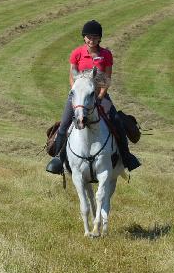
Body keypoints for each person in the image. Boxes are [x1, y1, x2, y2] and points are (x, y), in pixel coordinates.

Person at [46, 20, 140, 174]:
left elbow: (107, 79)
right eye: (89, 37)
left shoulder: (106, 54)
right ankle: (58, 158)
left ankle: (126, 156)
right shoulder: (77, 53)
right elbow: (72, 76)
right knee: (64, 125)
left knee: (117, 122)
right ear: (84, 37)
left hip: (100, 96)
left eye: (95, 37)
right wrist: (77, 93)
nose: (92, 40)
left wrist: (101, 97)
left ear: (99, 38)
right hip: (78, 97)